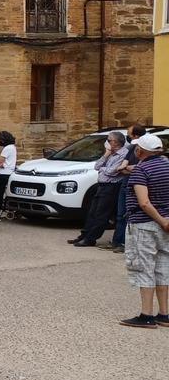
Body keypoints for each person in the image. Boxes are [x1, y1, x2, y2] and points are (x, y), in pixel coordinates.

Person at [119, 134, 169, 329]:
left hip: (145, 225)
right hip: (166, 224)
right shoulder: (167, 166)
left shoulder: (141, 169)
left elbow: (144, 202)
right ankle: (164, 313)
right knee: (163, 266)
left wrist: (161, 221)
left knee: (144, 266)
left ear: (141, 151)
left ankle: (146, 315)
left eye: (136, 148)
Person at [70, 131, 127, 248]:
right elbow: (97, 166)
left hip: (111, 187)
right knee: (92, 212)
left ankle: (91, 239)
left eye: (109, 140)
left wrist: (104, 169)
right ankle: (84, 235)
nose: (107, 142)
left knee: (101, 214)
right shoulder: (110, 153)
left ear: (116, 142)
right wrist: (106, 155)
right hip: (101, 186)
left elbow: (113, 171)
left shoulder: (123, 154)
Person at [106, 124, 146, 254]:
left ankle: (124, 243)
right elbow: (120, 168)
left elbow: (142, 168)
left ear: (136, 136)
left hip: (136, 185)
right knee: (120, 214)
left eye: (129, 135)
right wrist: (131, 168)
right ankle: (117, 241)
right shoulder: (130, 148)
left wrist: (129, 168)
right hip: (125, 184)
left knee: (130, 215)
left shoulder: (144, 150)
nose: (127, 137)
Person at [0, 131, 17, 219]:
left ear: (3, 140)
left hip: (3, 173)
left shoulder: (7, 148)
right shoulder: (12, 147)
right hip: (7, 172)